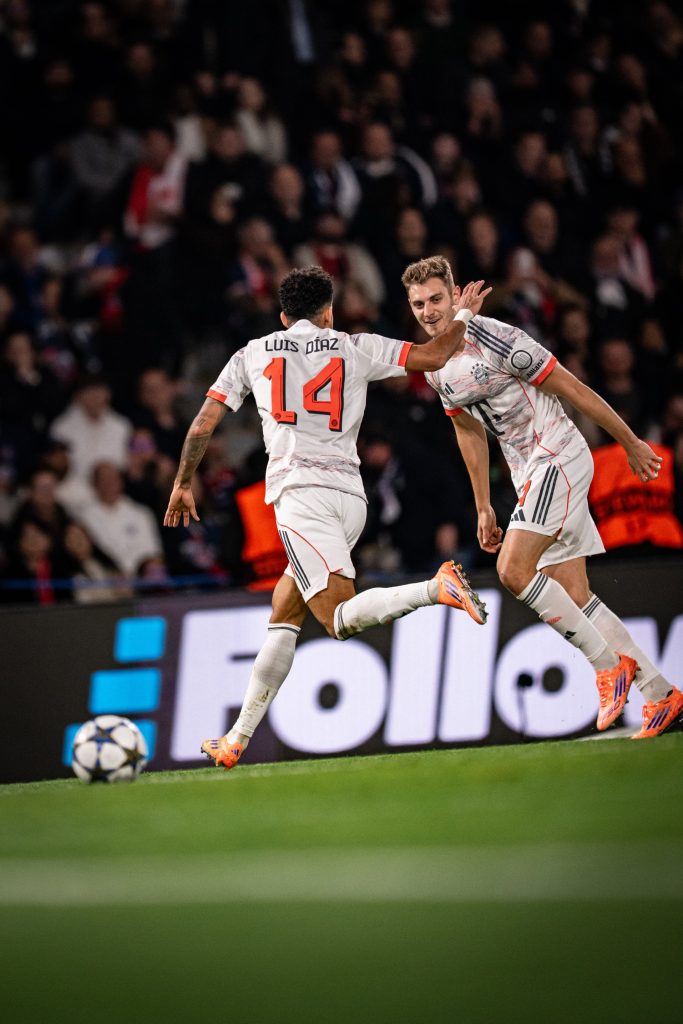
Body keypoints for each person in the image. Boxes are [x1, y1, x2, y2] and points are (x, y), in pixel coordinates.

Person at [164, 266, 491, 769]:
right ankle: (236, 739)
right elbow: (434, 355)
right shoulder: (355, 346)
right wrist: (462, 314)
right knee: (285, 610)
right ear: (328, 313)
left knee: (337, 620)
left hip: (300, 497)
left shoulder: (252, 353)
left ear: (282, 316)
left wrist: (184, 481)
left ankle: (436, 587)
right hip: (350, 499)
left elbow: (203, 425)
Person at [402, 254, 682, 740]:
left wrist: (631, 443)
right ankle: (661, 695)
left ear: (455, 295)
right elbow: (468, 431)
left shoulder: (499, 339)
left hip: (559, 456)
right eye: (418, 304)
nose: (428, 312)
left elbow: (574, 390)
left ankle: (607, 665)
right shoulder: (435, 365)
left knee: (513, 571)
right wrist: (483, 504)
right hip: (527, 473)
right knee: (574, 594)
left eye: (436, 299)